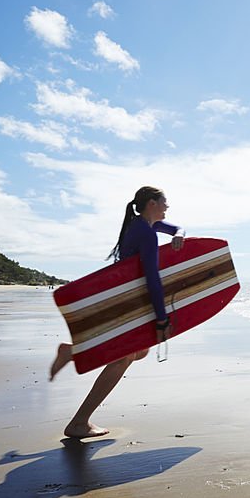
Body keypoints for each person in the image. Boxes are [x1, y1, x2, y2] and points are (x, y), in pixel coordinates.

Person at [49, 186, 185, 438]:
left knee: (139, 352)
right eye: (165, 201)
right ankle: (79, 422)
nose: (168, 206)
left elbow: (176, 228)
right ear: (152, 203)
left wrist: (178, 234)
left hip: (128, 299)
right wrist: (161, 317)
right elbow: (152, 278)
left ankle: (72, 352)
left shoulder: (142, 226)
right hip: (132, 301)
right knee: (124, 357)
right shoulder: (146, 233)